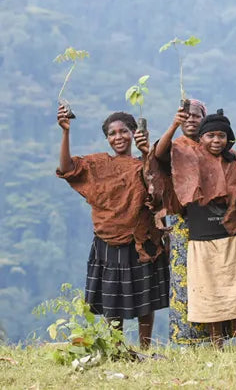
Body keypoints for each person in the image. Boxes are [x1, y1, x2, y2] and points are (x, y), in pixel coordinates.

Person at [56, 106, 169, 348]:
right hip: (107, 239)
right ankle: (115, 346)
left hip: (140, 238)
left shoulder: (144, 163)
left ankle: (145, 347)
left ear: (133, 133)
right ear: (107, 138)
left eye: (123, 131)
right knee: (112, 298)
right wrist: (66, 132)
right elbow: (67, 169)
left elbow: (159, 189)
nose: (118, 137)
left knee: (145, 296)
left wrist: (146, 151)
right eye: (112, 133)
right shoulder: (97, 165)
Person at [154, 108, 236, 346]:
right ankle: (216, 342)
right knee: (208, 290)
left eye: (221, 136)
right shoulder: (187, 158)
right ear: (200, 138)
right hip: (200, 237)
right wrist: (172, 125)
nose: (216, 140)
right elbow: (159, 155)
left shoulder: (234, 161)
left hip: (231, 234)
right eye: (210, 136)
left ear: (228, 139)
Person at [147, 99, 214, 345]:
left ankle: (213, 336)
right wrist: (173, 125)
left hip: (209, 221)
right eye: (186, 116)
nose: (191, 120)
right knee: (183, 278)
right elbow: (158, 154)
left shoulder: (212, 146)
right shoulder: (177, 146)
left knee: (208, 276)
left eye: (196, 116)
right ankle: (184, 337)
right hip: (183, 220)